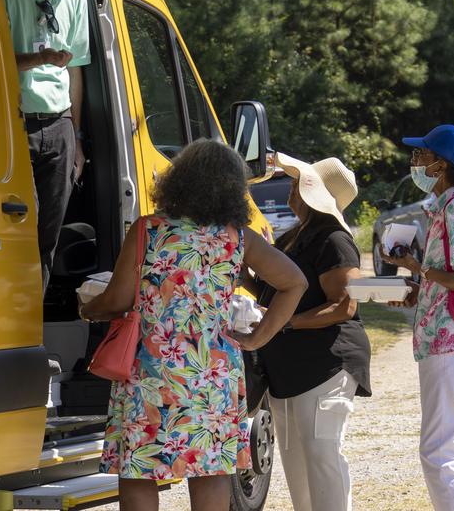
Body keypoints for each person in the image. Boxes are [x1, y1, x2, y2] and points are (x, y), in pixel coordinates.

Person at [79, 139, 307, 511]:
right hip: (212, 372)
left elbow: (118, 300)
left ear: (178, 180)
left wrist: (89, 308)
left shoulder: (147, 230)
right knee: (211, 472)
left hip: (151, 371)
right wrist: (257, 339)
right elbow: (294, 282)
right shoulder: (238, 238)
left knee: (140, 468)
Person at [241, 154, 370, 511]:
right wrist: (248, 283)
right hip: (290, 368)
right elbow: (277, 293)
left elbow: (345, 305)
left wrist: (284, 322)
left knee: (320, 454)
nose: (292, 189)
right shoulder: (295, 236)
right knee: (297, 462)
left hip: (325, 365)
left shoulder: (333, 239)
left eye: (299, 182)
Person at [385, 124, 454, 511]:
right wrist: (419, 291)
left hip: (453, 344)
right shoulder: (452, 207)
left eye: (422, 155)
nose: (415, 162)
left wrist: (422, 271)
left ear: (441, 165)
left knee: (439, 453)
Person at [0, 0, 92, 292]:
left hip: (59, 126)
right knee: (17, 227)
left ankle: (30, 322)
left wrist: (76, 136)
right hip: (13, 121)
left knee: (47, 237)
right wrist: (38, 59)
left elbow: (76, 70)